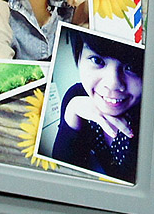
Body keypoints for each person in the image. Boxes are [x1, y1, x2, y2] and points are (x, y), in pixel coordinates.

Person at [52, 28, 143, 183]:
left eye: (132, 67)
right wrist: (72, 113)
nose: (113, 84)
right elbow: (59, 170)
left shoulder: (153, 118)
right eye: (97, 60)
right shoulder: (76, 96)